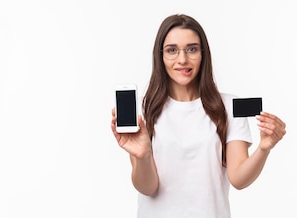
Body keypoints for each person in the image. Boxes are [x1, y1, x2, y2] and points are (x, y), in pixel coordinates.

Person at [110, 14, 287, 218]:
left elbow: (238, 179)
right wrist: (143, 156)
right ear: (160, 56)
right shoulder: (142, 108)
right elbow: (147, 188)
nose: (182, 59)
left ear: (203, 54)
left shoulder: (229, 106)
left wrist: (264, 148)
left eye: (192, 49)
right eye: (172, 50)